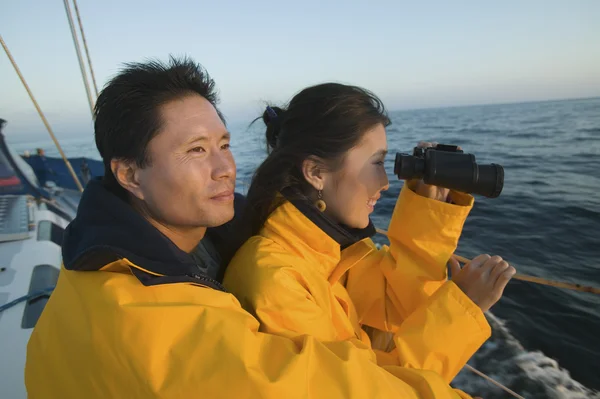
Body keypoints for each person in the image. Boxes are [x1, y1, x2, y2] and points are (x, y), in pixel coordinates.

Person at [25, 56, 484, 399]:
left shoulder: (121, 258)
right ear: (130, 175)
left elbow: (386, 306)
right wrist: (462, 314)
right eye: (196, 151)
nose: (226, 167)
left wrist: (427, 207)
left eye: (224, 144)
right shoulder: (160, 323)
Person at [223, 83, 516, 392]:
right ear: (316, 172)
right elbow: (377, 389)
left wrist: (427, 202)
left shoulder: (326, 248)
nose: (386, 182)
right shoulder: (275, 283)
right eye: (377, 162)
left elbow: (394, 303)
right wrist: (463, 309)